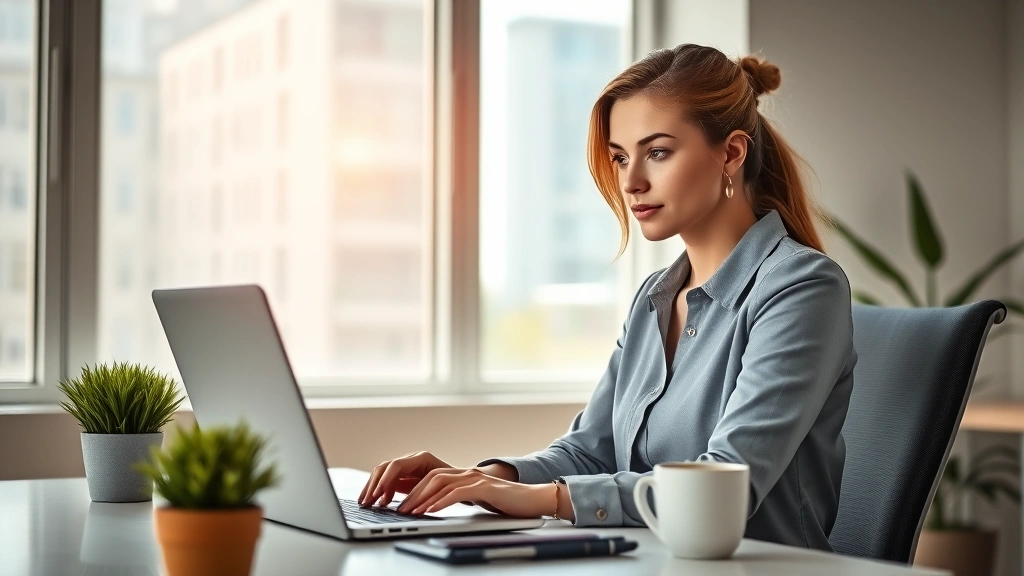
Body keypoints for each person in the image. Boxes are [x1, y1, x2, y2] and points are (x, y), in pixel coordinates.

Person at [358, 43, 857, 551]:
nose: (631, 181)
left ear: (730, 153)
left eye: (657, 152)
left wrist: (548, 499)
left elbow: (721, 487)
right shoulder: (654, 299)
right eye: (620, 157)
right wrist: (486, 477)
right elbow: (591, 451)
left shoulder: (801, 289)